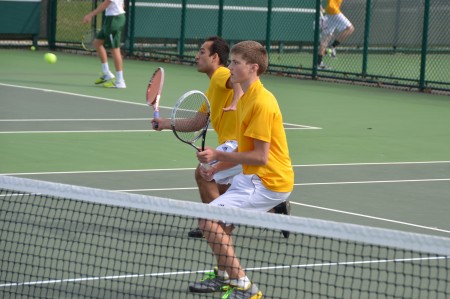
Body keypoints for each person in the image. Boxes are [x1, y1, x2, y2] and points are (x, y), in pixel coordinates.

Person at [152, 36, 290, 239]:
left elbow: (236, 83)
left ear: (215, 57)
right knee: (221, 184)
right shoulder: (212, 89)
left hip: (239, 143)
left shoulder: (221, 74)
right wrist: (164, 124)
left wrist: (236, 100)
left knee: (203, 173)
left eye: (202, 52)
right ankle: (272, 211)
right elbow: (197, 122)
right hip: (234, 145)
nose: (197, 56)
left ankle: (216, 223)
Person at [189, 40, 294, 299]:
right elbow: (245, 152)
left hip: (269, 181)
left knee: (209, 221)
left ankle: (246, 288)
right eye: (231, 62)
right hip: (251, 176)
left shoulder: (261, 103)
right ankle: (225, 276)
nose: (231, 67)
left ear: (253, 68)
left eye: (236, 63)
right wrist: (216, 169)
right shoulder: (246, 98)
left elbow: (259, 156)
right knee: (220, 225)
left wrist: (217, 155)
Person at [83, 0, 126, 88]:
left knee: (115, 49)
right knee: (97, 43)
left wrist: (90, 15)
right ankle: (106, 73)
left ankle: (120, 81)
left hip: (114, 19)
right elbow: (122, 4)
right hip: (112, 18)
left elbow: (106, 3)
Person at [318, 0, 355, 69]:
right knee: (350, 28)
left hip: (329, 12)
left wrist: (321, 7)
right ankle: (332, 47)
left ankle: (319, 63)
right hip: (334, 11)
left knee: (326, 38)